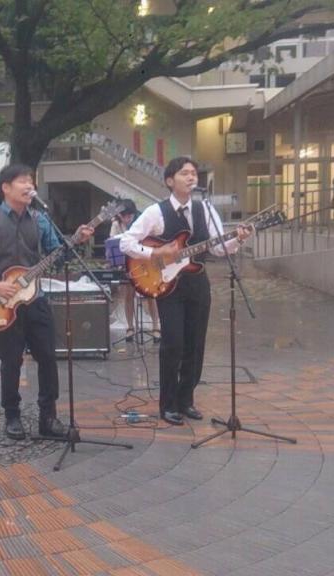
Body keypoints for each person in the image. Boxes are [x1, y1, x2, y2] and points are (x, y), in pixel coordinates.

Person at [0, 164, 94, 440]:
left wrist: (76, 241)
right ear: (6, 188)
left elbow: (59, 256)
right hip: (2, 303)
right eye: (22, 181)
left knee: (48, 358)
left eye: (31, 181)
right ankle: (12, 416)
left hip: (36, 300)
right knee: (11, 361)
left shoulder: (40, 220)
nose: (29, 185)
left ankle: (49, 418)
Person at [119, 157, 250, 426]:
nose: (191, 177)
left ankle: (186, 399)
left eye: (194, 173)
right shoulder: (156, 212)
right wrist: (155, 253)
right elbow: (126, 242)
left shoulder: (206, 209)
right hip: (169, 286)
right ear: (170, 180)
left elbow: (217, 248)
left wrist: (237, 239)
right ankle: (168, 404)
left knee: (196, 344)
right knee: (173, 344)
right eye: (184, 173)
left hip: (197, 282)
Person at [109, 199, 160, 342]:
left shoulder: (140, 221)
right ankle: (130, 327)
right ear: (119, 215)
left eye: (130, 216)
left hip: (143, 263)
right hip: (126, 265)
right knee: (128, 295)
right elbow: (112, 243)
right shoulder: (116, 224)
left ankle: (156, 327)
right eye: (124, 216)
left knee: (150, 294)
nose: (128, 219)